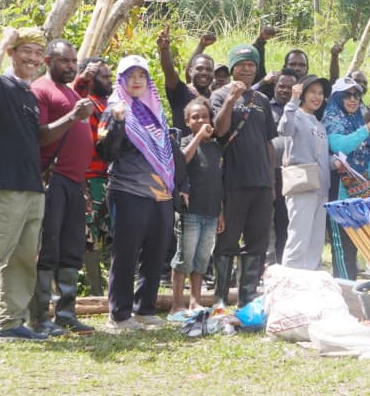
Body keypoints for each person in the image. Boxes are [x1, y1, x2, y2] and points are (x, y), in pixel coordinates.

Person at [97, 55, 188, 332]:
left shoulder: (155, 111)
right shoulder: (114, 109)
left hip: (160, 194)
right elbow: (104, 152)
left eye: (141, 76)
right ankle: (120, 314)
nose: (136, 81)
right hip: (128, 191)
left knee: (156, 252)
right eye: (131, 76)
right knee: (126, 253)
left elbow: (169, 152)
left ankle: (144, 309)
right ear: (122, 80)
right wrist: (118, 124)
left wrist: (180, 186)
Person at [0, 28, 53, 343]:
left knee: (24, 258)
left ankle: (11, 323)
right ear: (13, 53)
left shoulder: (28, 93)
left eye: (37, 53)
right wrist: (2, 42)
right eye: (25, 50)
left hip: (32, 186)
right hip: (6, 185)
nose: (32, 57)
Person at [30, 39, 97, 336]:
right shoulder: (41, 90)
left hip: (73, 182)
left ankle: (66, 313)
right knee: (48, 249)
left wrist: (82, 185)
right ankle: (40, 317)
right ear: (48, 61)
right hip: (52, 180)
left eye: (73, 61)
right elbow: (41, 137)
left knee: (71, 248)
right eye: (64, 61)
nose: (71, 66)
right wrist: (73, 117)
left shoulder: (70, 91)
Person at [211, 44, 278, 308]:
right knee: (227, 240)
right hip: (233, 182)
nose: (247, 68)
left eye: (251, 64)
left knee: (257, 241)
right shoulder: (218, 95)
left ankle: (247, 299)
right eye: (241, 64)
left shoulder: (261, 101)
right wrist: (230, 100)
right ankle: (219, 299)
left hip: (261, 183)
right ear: (232, 68)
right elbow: (219, 131)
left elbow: (268, 143)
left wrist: (271, 182)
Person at [168, 98, 225, 321]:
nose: (201, 120)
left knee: (201, 259)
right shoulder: (184, 142)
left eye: (205, 116)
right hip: (190, 212)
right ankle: (176, 304)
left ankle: (195, 300)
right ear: (187, 121)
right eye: (195, 117)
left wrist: (221, 211)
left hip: (211, 211)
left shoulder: (216, 147)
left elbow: (219, 181)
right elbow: (181, 161)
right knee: (184, 257)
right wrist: (199, 136)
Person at [324, 77, 370, 278]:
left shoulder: (357, 118)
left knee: (356, 245)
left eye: (356, 95)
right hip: (339, 194)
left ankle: (351, 290)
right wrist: (367, 129)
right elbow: (340, 146)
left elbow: (369, 159)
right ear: (338, 97)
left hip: (361, 193)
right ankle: (344, 289)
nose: (353, 99)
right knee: (342, 246)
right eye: (347, 95)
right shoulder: (332, 117)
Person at [277, 75, 332, 270]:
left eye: (320, 93)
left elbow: (322, 157)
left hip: (321, 188)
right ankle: (289, 284)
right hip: (302, 185)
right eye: (312, 92)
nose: (317, 97)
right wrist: (293, 100)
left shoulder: (320, 125)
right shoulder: (295, 114)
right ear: (303, 93)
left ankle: (308, 285)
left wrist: (337, 163)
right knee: (298, 238)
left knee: (315, 243)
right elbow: (284, 128)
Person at [73, 57, 113, 296]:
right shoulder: (84, 103)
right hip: (88, 177)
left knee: (108, 234)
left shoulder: (109, 103)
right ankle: (93, 290)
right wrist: (82, 78)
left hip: (110, 177)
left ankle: (109, 287)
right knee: (89, 235)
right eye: (104, 77)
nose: (109, 81)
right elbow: (72, 97)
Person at [267, 67, 300, 264]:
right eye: (281, 86)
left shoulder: (301, 111)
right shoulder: (264, 106)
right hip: (269, 172)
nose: (285, 91)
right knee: (266, 222)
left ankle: (284, 263)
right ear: (274, 86)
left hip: (292, 173)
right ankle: (267, 264)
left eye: (290, 87)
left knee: (286, 221)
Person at [157, 25, 216, 134]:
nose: (204, 72)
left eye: (208, 70)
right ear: (190, 71)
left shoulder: (215, 97)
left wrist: (201, 45)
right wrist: (164, 49)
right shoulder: (180, 92)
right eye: (199, 69)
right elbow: (170, 73)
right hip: (184, 149)